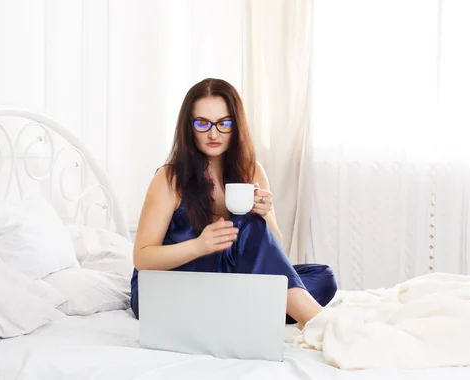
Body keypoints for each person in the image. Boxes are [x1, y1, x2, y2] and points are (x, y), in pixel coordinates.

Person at [130, 78, 337, 327]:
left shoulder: (252, 171)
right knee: (290, 292)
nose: (214, 133)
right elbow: (142, 258)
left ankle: (233, 310)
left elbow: (272, 251)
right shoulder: (169, 178)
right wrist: (199, 246)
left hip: (222, 279)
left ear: (236, 125)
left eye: (224, 123)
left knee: (322, 277)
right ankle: (317, 323)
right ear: (188, 127)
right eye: (202, 123)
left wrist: (265, 214)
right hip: (167, 285)